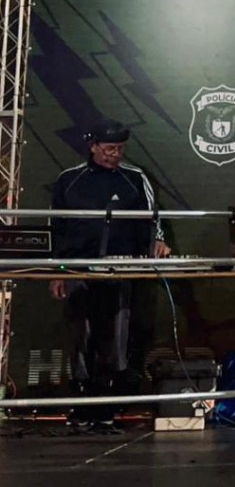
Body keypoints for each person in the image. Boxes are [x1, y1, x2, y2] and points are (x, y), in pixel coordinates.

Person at [49, 119, 170, 430]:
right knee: (80, 336)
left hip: (119, 267)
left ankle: (106, 407)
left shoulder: (135, 177)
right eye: (109, 149)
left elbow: (152, 217)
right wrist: (57, 270)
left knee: (114, 339)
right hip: (77, 267)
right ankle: (81, 406)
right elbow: (56, 228)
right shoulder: (69, 179)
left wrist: (158, 240)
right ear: (93, 147)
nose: (115, 154)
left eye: (120, 149)